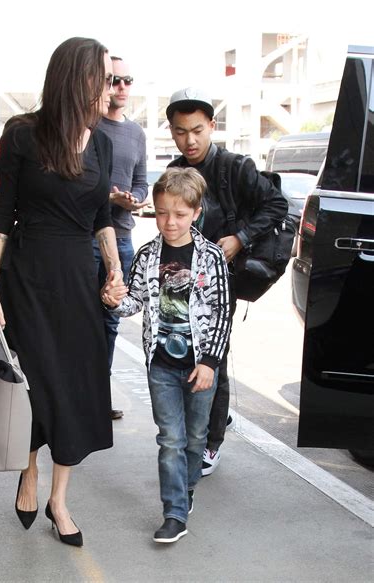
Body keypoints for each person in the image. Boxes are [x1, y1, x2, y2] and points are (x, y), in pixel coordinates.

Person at [0, 37, 123, 547]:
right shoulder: (22, 135)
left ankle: (59, 500)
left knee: (74, 389)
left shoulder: (102, 143)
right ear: (75, 77)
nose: (109, 88)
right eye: (103, 77)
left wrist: (114, 271)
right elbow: (4, 215)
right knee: (34, 385)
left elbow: (102, 218)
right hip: (28, 279)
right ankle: (29, 469)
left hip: (76, 284)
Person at [102, 167, 231, 543]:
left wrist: (210, 362)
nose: (169, 222)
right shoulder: (146, 255)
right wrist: (112, 300)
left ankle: (187, 486)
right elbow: (134, 302)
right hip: (161, 364)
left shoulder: (211, 258)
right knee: (170, 439)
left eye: (179, 214)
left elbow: (223, 313)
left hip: (199, 368)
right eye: (161, 213)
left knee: (194, 438)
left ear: (195, 212)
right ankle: (174, 512)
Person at [166, 88, 288, 476]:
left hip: (223, 281)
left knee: (211, 356)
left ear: (212, 127)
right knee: (188, 354)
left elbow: (277, 204)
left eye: (197, 130)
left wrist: (241, 239)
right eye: (181, 131)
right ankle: (210, 422)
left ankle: (210, 442)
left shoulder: (235, 167)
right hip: (185, 281)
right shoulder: (174, 170)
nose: (190, 140)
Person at [93, 56, 148, 420]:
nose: (122, 87)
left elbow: (142, 180)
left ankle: (98, 398)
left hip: (123, 238)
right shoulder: (89, 127)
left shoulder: (137, 133)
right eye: (114, 80)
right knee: (81, 317)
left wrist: (136, 199)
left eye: (127, 80)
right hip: (86, 238)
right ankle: (77, 396)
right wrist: (106, 196)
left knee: (112, 319)